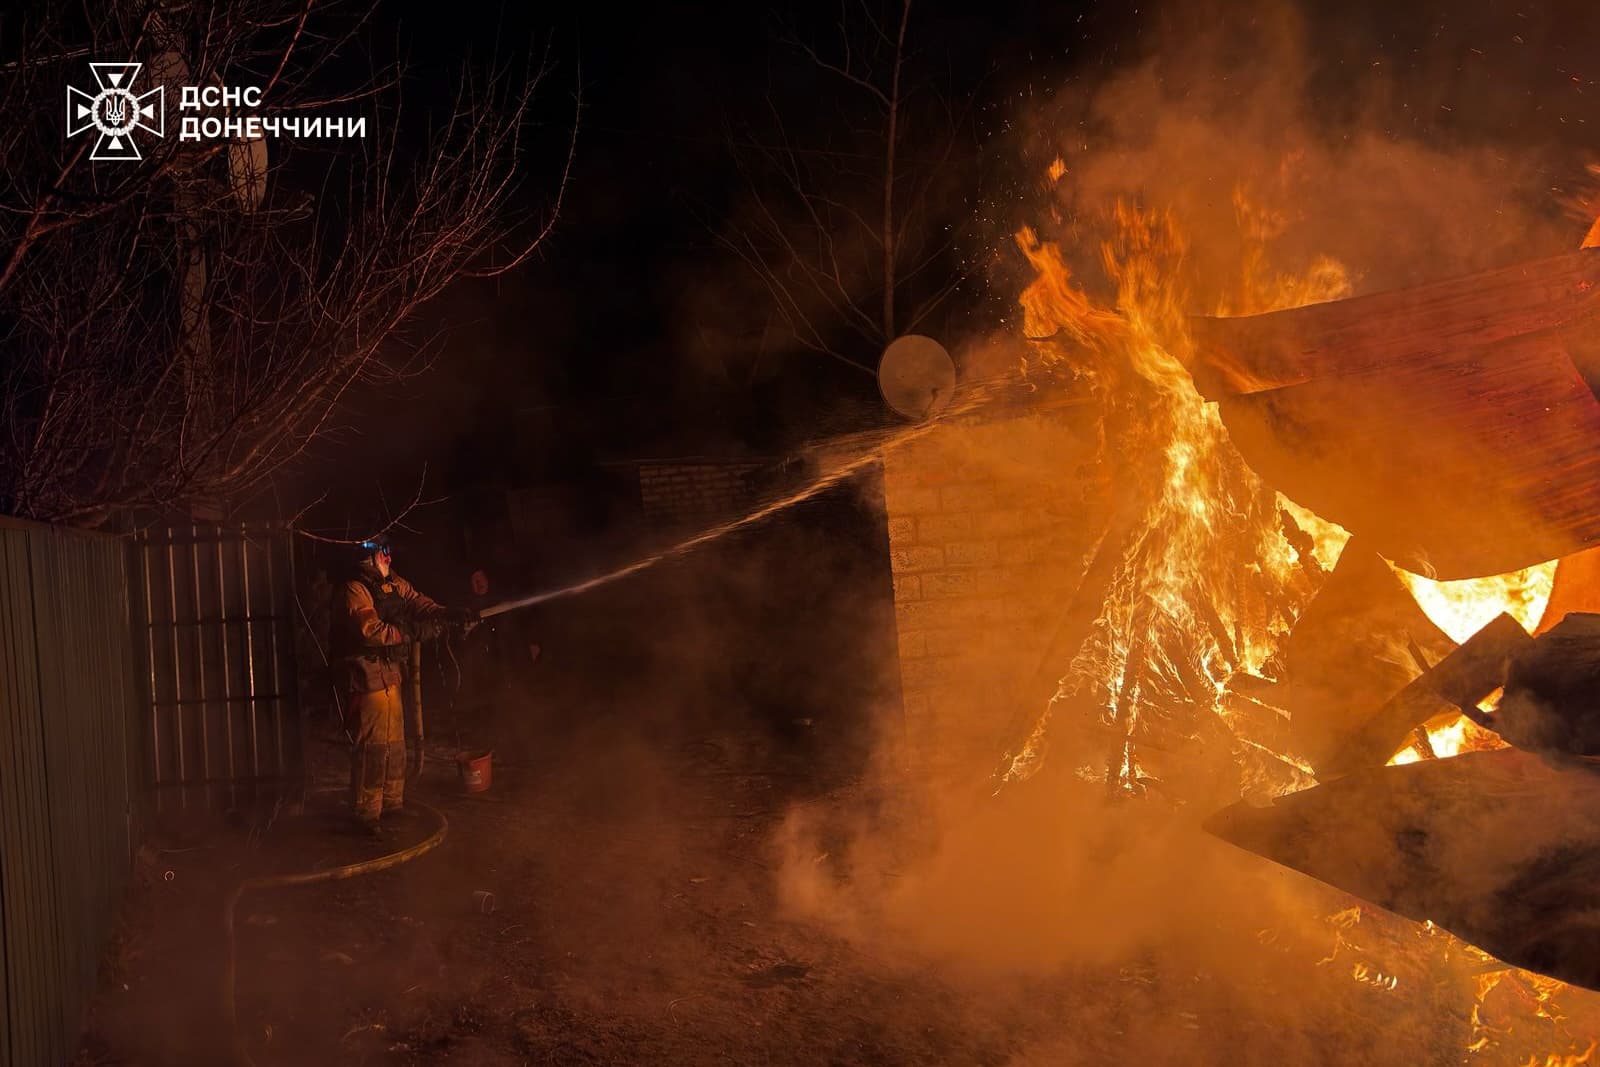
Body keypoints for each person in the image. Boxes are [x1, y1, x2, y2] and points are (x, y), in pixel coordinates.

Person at [331, 534, 476, 837]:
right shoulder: (355, 589)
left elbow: (417, 602)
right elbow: (371, 631)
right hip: (367, 676)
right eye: (383, 552)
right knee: (373, 748)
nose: (389, 557)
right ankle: (366, 813)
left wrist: (447, 613)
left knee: (395, 744)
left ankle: (392, 804)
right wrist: (410, 632)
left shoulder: (393, 582)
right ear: (369, 555)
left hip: (391, 674)